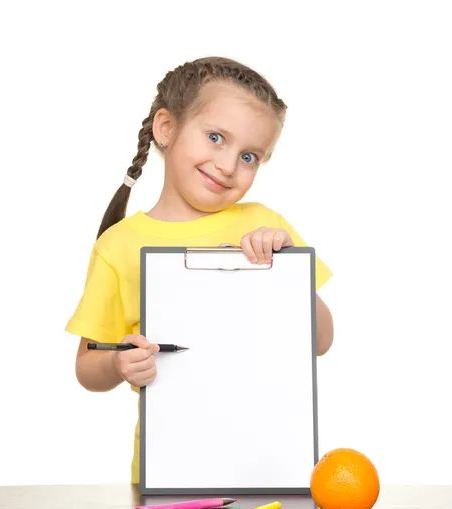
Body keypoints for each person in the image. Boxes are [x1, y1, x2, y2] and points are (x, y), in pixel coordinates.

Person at [65, 56, 334, 485]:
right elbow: (86, 368)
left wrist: (284, 274)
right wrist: (120, 365)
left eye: (249, 156)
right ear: (166, 128)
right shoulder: (118, 246)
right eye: (215, 137)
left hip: (271, 467)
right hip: (169, 472)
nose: (228, 166)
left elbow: (321, 341)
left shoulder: (265, 226)